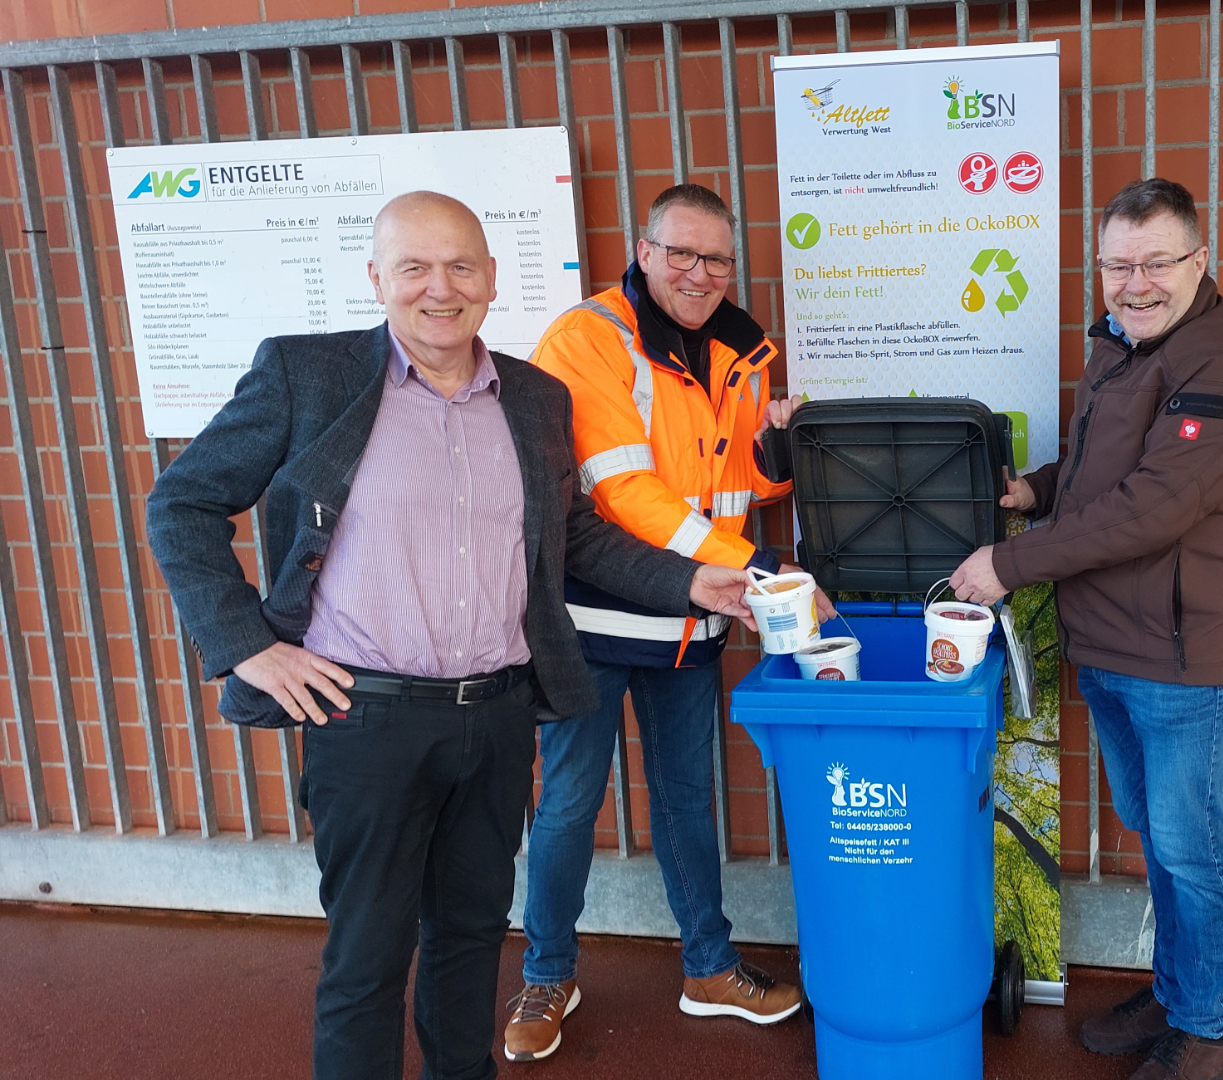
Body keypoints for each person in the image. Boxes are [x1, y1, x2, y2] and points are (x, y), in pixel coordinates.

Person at [144, 190, 758, 1080]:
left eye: (462, 266)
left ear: (492, 279)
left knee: (471, 941)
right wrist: (245, 643)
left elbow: (575, 533)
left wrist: (693, 579)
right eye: (416, 268)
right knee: (367, 960)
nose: (442, 289)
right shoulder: (306, 376)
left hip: (499, 715)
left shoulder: (534, 397)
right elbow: (182, 502)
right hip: (364, 717)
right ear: (377, 279)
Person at [950, 177, 1223, 1080]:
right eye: (1118, 265)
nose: (1136, 282)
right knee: (1154, 829)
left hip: (1182, 653)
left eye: (1156, 262)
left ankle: (1207, 1029)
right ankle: (1179, 993)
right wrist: (1038, 491)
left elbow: (1154, 507)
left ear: (1198, 262)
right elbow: (1105, 465)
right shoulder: (1122, 347)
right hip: (1115, 642)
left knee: (1186, 840)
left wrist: (1009, 562)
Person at [503, 183, 821, 1062]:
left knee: (688, 799)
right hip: (596, 613)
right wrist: (748, 562)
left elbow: (742, 484)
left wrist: (781, 453)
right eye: (680, 253)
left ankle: (708, 967)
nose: (699, 273)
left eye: (716, 258)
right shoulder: (590, 338)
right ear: (644, 252)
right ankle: (548, 971)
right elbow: (619, 488)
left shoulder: (746, 349)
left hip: (694, 623)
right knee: (568, 801)